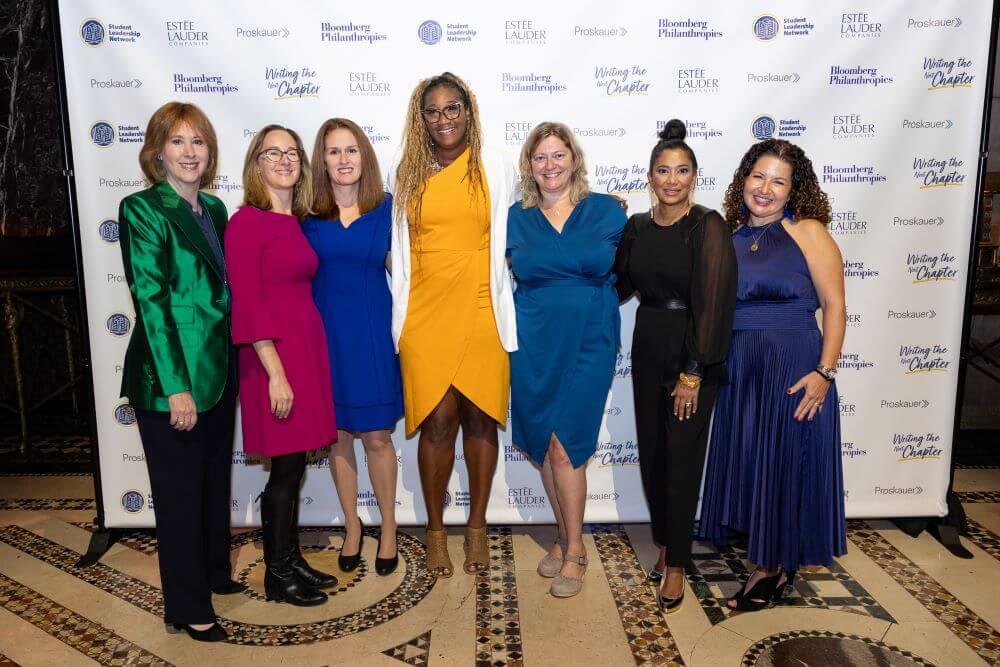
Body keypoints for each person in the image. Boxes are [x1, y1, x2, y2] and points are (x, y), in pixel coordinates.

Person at [698, 138, 847, 612]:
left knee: (784, 463)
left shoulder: (809, 233)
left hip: (794, 367)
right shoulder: (728, 237)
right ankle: (766, 554)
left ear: (792, 190)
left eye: (778, 181)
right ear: (744, 179)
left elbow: (836, 306)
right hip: (740, 370)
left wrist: (824, 372)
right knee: (754, 464)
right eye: (758, 177)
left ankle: (771, 569)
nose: (765, 189)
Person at [118, 101, 240, 642]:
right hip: (171, 380)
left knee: (213, 482)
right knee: (180, 495)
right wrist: (177, 390)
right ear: (157, 152)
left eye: (199, 143)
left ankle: (213, 572)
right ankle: (188, 607)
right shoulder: (142, 209)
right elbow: (152, 302)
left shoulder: (213, 209)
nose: (190, 153)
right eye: (178, 143)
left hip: (218, 369)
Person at [389, 72, 518, 577]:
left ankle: (478, 525)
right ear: (420, 119)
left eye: (452, 108)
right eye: (433, 110)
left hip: (483, 307)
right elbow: (396, 252)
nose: (443, 118)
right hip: (424, 312)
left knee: (482, 417)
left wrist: (600, 207)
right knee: (438, 421)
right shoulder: (407, 173)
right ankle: (436, 529)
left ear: (469, 111)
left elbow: (542, 202)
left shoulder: (497, 166)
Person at [614, 119, 737, 613]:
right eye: (663, 170)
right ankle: (665, 541)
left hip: (693, 354)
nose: (672, 179)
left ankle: (679, 563)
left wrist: (693, 372)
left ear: (694, 177)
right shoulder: (638, 227)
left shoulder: (707, 225)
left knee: (683, 460)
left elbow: (714, 303)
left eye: (681, 170)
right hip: (647, 347)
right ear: (650, 175)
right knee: (654, 454)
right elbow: (619, 285)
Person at [507, 122, 626, 598]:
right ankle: (562, 534)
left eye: (558, 155)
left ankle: (575, 549)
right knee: (543, 442)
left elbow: (634, 269)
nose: (550, 165)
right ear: (529, 166)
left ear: (574, 159)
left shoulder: (606, 211)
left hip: (590, 339)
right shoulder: (515, 217)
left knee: (567, 444)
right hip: (533, 339)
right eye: (540, 157)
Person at [225, 124, 338, 607]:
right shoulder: (246, 222)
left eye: (292, 153)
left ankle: (291, 560)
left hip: (303, 350)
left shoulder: (296, 220)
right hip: (271, 358)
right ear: (256, 164)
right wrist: (275, 373)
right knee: (285, 471)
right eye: (273, 153)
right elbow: (247, 303)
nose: (285, 160)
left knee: (294, 466)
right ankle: (277, 574)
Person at [303, 118, 402, 576]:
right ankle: (352, 527)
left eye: (351, 150)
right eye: (334, 151)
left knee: (378, 438)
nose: (343, 159)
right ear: (321, 160)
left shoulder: (386, 208)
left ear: (365, 156)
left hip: (372, 336)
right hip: (323, 339)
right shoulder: (306, 212)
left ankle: (388, 528)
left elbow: (406, 270)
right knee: (338, 438)